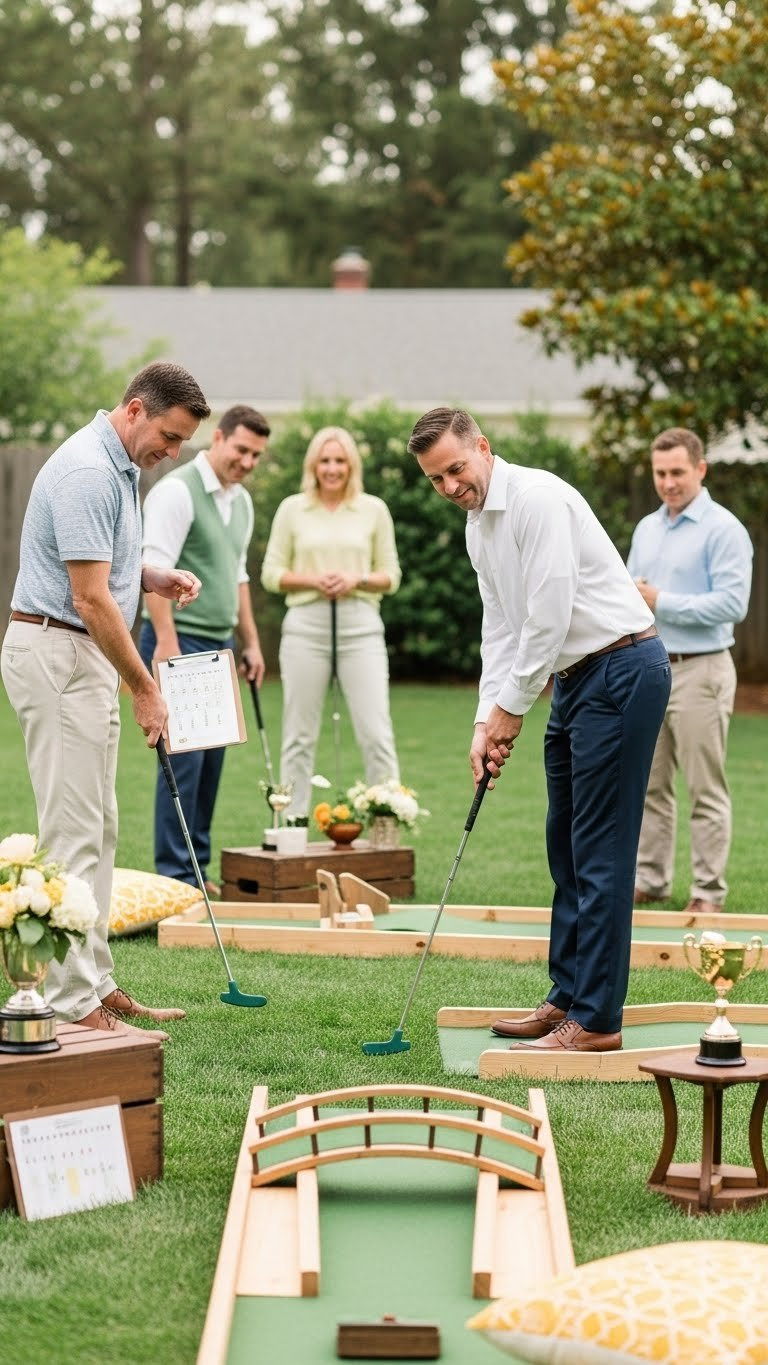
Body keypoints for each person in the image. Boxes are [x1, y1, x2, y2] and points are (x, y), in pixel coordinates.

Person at [408, 407, 671, 1053]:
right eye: (435, 478)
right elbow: (500, 628)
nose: (449, 487)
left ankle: (599, 1018)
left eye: (455, 469)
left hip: (621, 667)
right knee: (567, 846)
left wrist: (513, 707)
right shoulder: (478, 529)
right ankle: (567, 995)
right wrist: (484, 721)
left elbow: (548, 615)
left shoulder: (538, 499)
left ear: (483, 449)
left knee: (602, 851)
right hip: (577, 679)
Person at [1, 361, 211, 1039]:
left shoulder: (117, 466)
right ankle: (66, 1001)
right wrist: (146, 687)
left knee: (100, 828)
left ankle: (96, 982)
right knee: (70, 832)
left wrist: (151, 573)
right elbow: (89, 598)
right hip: (59, 653)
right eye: (170, 436)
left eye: (181, 443)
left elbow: (100, 568)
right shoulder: (91, 471)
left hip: (79, 654)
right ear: (134, 408)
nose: (172, 453)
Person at [139, 405, 269, 891]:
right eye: (241, 449)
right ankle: (175, 879)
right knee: (184, 767)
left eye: (256, 454)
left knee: (212, 764)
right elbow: (153, 571)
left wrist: (250, 644)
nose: (247, 461)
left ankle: (198, 872)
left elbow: (238, 576)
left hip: (219, 647)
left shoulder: (242, 502)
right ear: (218, 439)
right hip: (180, 641)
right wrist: (166, 646)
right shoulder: (177, 492)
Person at [627, 427, 753, 913]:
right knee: (650, 784)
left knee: (705, 787)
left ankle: (707, 892)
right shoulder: (647, 528)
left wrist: (661, 600)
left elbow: (732, 604)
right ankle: (652, 880)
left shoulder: (724, 529)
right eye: (660, 473)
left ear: (700, 469)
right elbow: (631, 590)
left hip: (703, 671)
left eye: (677, 471)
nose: (668, 482)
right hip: (651, 668)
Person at [261, 425, 401, 817]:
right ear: (313, 465)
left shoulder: (373, 509)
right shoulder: (293, 509)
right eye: (325, 460)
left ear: (351, 465)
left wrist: (356, 580)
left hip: (361, 625)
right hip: (306, 625)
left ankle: (387, 823)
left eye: (340, 460)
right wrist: (314, 580)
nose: (332, 468)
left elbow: (391, 575)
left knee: (376, 733)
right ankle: (292, 825)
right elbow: (272, 574)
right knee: (299, 736)